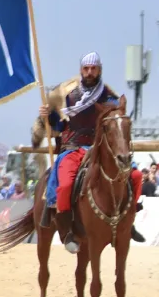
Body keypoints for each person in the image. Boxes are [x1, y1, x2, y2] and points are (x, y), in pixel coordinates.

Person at [39, 52, 145, 249]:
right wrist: (49, 116)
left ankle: (128, 220)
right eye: (86, 69)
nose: (89, 72)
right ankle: (67, 229)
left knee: (136, 175)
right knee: (64, 185)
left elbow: (116, 124)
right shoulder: (69, 97)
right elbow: (60, 127)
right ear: (81, 70)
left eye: (93, 68)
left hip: (99, 150)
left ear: (99, 70)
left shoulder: (110, 99)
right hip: (73, 147)